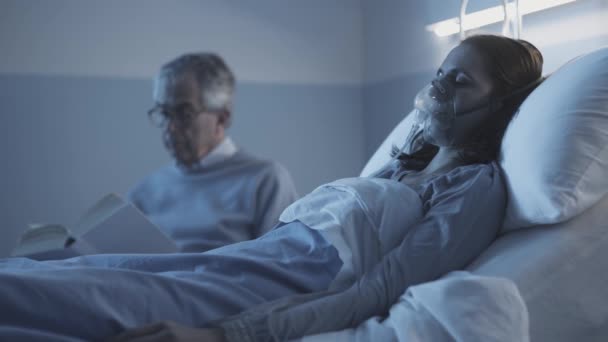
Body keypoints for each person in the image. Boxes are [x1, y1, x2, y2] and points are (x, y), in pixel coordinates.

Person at [0, 35, 543, 342]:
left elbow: (377, 291)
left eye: (462, 81)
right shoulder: (398, 171)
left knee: (47, 293)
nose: (438, 88)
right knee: (37, 271)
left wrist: (223, 337)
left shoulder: (475, 186)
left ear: (499, 106)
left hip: (277, 281)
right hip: (238, 262)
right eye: (441, 72)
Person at [128, 53, 298, 252]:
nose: (170, 127)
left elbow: (283, 266)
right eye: (164, 113)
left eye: (184, 113)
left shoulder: (266, 180)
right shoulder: (144, 192)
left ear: (222, 118)